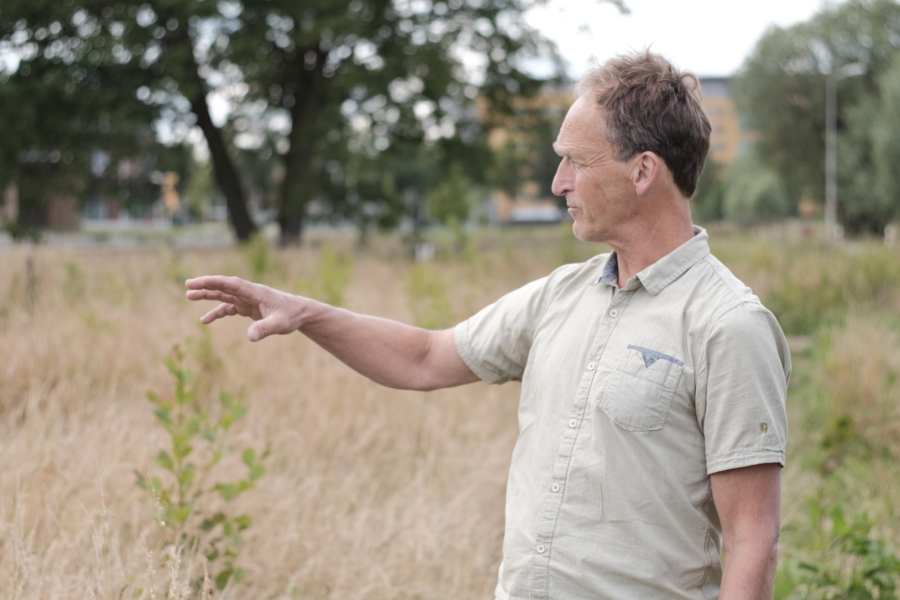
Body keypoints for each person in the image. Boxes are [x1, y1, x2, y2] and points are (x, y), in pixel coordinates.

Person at [186, 50, 790, 600]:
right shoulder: (560, 295)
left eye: (575, 162)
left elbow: (751, 541)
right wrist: (308, 314)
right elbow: (423, 357)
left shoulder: (728, 325)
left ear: (643, 171)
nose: (559, 184)